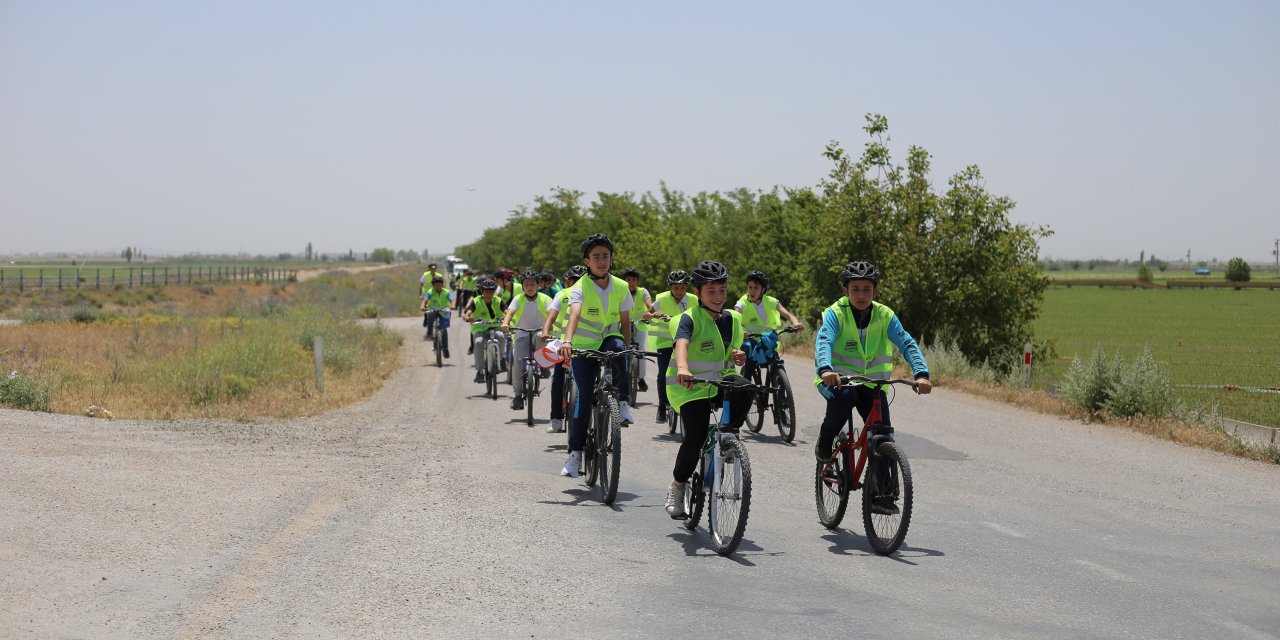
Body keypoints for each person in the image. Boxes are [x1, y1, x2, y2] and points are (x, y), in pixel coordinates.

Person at [813, 261, 931, 467]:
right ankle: (825, 439)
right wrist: (826, 369)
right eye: (855, 289)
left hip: (873, 384)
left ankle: (882, 494)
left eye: (867, 289)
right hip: (838, 381)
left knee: (883, 435)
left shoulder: (885, 315)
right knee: (845, 399)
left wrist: (921, 374)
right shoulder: (836, 313)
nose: (861, 295)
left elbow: (906, 343)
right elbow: (825, 341)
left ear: (875, 291)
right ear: (845, 290)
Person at [662, 261, 751, 519]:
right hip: (690, 387)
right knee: (695, 437)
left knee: (746, 388)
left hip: (719, 381)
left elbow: (731, 350)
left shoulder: (733, 318)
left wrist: (737, 355)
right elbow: (682, 343)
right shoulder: (689, 318)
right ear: (698, 293)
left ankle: (730, 436)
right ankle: (677, 487)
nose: (718, 297)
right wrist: (682, 367)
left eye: (722, 291)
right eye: (711, 291)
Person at [556, 234, 635, 477]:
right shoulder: (579, 287)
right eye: (596, 257)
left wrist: (629, 350)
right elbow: (575, 316)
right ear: (587, 261)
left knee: (620, 348)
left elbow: (625, 323)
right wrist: (567, 341)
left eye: (606, 256)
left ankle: (621, 403)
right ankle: (575, 454)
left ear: (611, 259)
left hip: (609, 339)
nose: (602, 261)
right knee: (584, 396)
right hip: (583, 345)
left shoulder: (621, 286)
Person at [646, 269, 697, 423]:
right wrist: (654, 314)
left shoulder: (693, 300)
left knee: (689, 371)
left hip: (687, 342)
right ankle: (662, 406)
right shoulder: (661, 300)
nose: (679, 291)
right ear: (669, 287)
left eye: (682, 288)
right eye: (676, 288)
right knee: (663, 375)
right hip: (666, 342)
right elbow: (646, 314)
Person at [734, 270, 805, 382]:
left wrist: (796, 323)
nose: (752, 291)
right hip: (749, 341)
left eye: (756, 288)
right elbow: (735, 316)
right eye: (750, 287)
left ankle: (780, 391)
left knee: (776, 363)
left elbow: (788, 315)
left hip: (769, 340)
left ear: (763, 290)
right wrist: (739, 332)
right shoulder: (742, 302)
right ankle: (746, 392)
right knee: (749, 368)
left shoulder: (771, 302)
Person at [541, 265, 587, 433]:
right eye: (573, 281)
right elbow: (551, 316)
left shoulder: (592, 295)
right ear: (568, 282)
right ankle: (556, 418)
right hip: (562, 345)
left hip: (585, 344)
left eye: (580, 281)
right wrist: (546, 331)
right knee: (558, 379)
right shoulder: (561, 295)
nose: (576, 284)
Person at [502, 270, 552, 411]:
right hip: (521, 333)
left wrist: (548, 329)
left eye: (532, 284)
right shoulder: (518, 298)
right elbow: (510, 312)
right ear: (523, 286)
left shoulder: (545, 299)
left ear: (537, 285)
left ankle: (543, 365)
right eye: (526, 284)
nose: (529, 287)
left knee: (539, 337)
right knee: (517, 362)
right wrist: (505, 323)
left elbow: (551, 314)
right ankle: (518, 396)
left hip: (540, 332)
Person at [463, 277, 508, 384]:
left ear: (494, 292)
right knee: (478, 342)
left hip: (496, 326)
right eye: (486, 291)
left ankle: (501, 359)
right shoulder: (476, 301)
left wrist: (507, 318)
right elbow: (467, 312)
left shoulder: (498, 300)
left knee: (501, 337)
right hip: (480, 328)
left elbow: (506, 311)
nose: (488, 294)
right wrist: (468, 318)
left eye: (491, 291)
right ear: (482, 291)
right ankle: (480, 371)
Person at [621, 267, 654, 394]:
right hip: (623, 324)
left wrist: (651, 312)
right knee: (621, 350)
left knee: (640, 353)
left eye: (634, 279)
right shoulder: (621, 291)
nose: (631, 282)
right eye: (628, 279)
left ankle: (640, 378)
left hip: (640, 324)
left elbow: (650, 305)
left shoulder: (643, 291)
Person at [420, 275, 454, 356]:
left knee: (444, 330)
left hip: (444, 311)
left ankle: (445, 348)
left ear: (442, 285)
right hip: (433, 309)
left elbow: (451, 300)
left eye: (439, 284)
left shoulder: (446, 292)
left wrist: (453, 305)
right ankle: (429, 333)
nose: (438, 286)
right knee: (431, 314)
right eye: (436, 285)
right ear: (433, 285)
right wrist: (422, 306)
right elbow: (425, 300)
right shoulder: (430, 292)